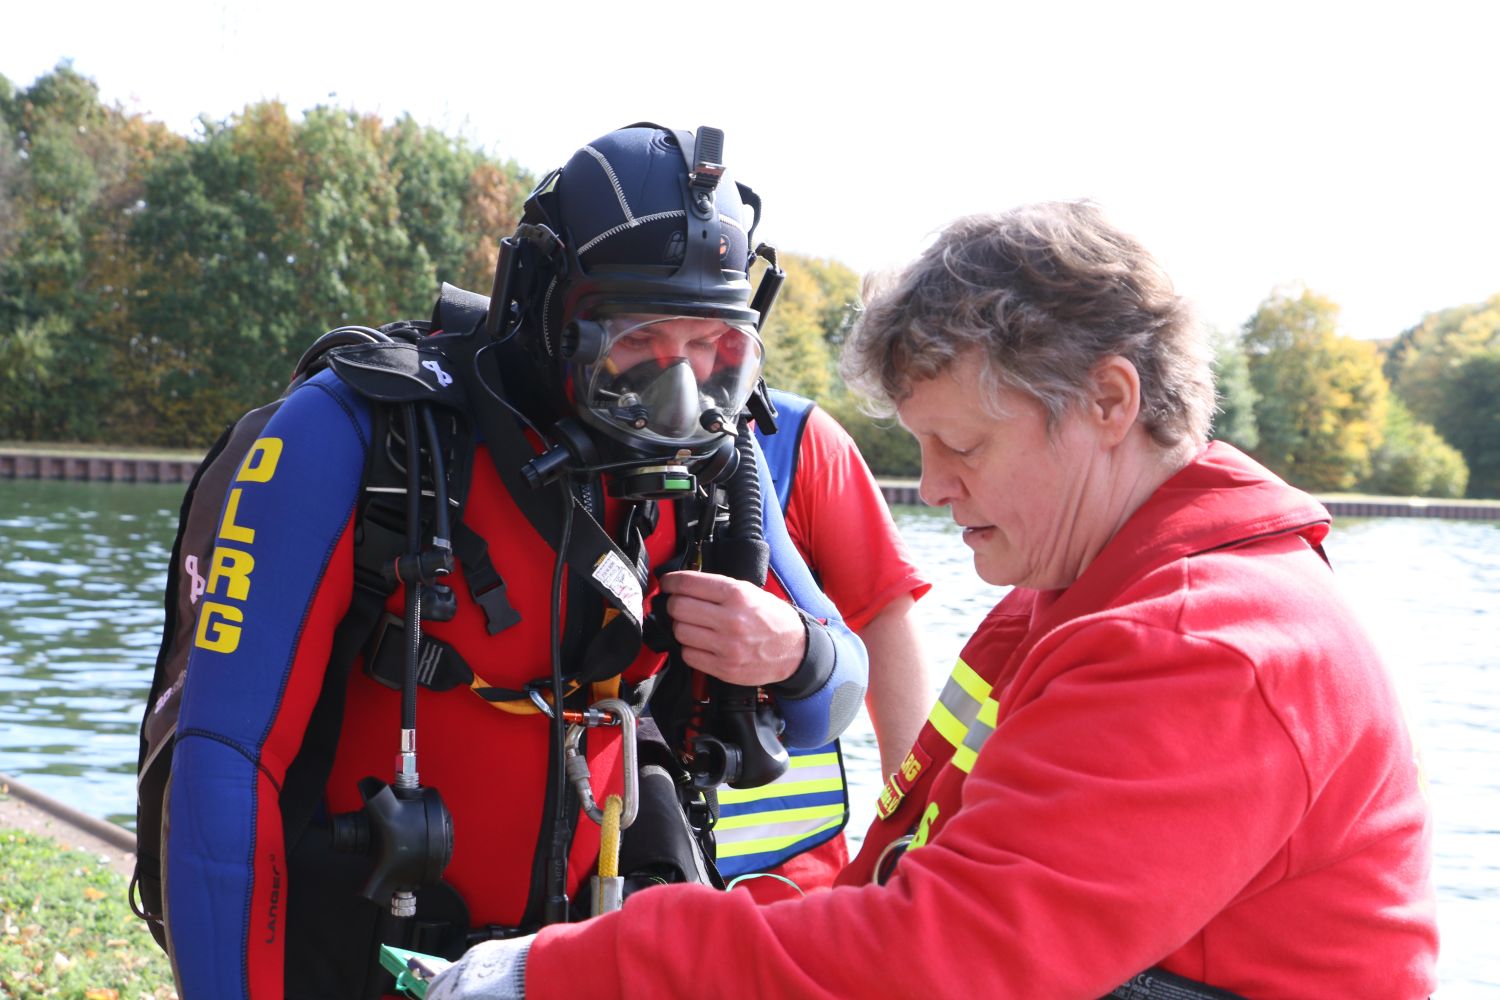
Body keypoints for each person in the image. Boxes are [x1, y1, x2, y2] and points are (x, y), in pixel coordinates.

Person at [426, 201, 1439, 999]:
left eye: (962, 446)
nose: (936, 486)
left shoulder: (1206, 645)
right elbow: (906, 881)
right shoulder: (1070, 593)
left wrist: (567, 973)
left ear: (1110, 401)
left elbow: (945, 960)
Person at [157, 123, 874, 999]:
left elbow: (827, 706)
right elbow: (226, 760)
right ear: (549, 308)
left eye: (712, 349)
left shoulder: (715, 473)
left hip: (578, 958)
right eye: (638, 339)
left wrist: (795, 649)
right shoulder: (353, 436)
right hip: (361, 956)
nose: (676, 389)